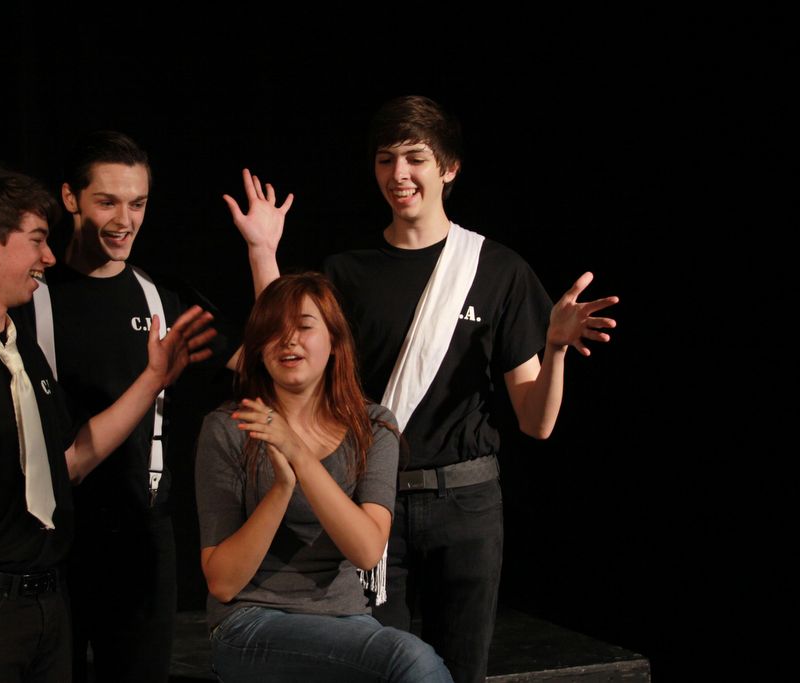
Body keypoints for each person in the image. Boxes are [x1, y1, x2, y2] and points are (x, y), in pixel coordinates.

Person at [233, 96, 619, 682]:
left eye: (415, 158)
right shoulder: (347, 271)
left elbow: (536, 422)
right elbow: (281, 349)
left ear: (449, 167)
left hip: (467, 506)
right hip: (371, 499)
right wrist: (263, 252)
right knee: (380, 670)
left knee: (460, 672)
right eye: (386, 159)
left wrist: (556, 348)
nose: (399, 174)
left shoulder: (497, 269)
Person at [0, 163, 214, 683]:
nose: (49, 257)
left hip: (47, 605)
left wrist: (152, 380)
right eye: (37, 240)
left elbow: (70, 461)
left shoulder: (21, 354)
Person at [22, 131, 293, 682]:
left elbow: (274, 368)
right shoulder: (31, 299)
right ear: (70, 198)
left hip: (141, 538)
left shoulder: (161, 297)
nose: (125, 220)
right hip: (52, 539)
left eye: (138, 203)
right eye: (108, 202)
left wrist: (263, 254)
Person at [195, 273, 453, 682]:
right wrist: (282, 488)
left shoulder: (373, 427)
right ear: (258, 348)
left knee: (404, 661)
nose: (288, 340)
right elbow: (223, 583)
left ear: (334, 341)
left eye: (304, 326)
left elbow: (367, 551)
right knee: (409, 660)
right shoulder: (228, 428)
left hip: (345, 618)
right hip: (250, 622)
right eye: (274, 330)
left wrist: (298, 454)